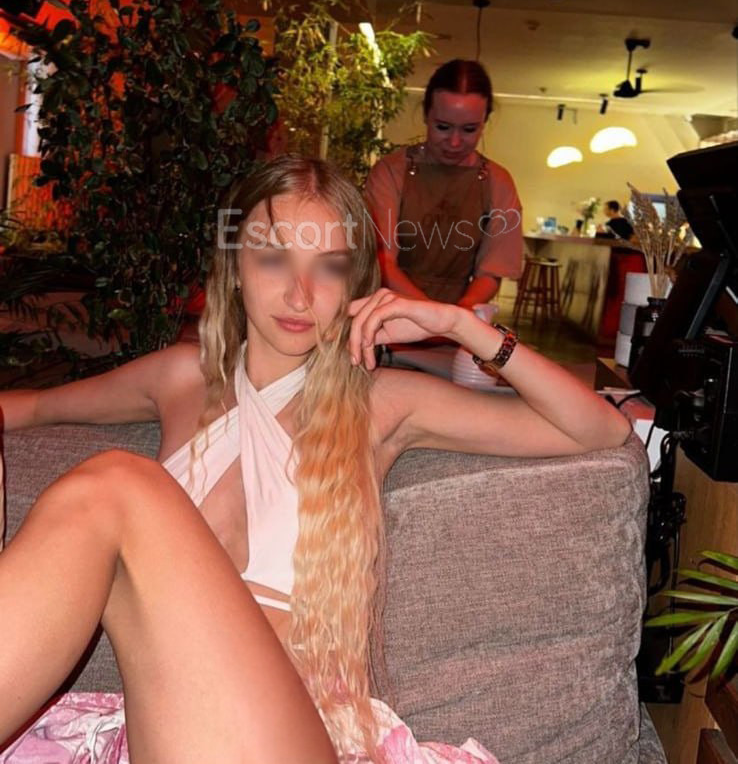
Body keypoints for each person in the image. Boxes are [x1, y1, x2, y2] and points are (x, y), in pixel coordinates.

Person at [0, 155, 631, 764]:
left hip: (300, 737)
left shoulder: (379, 402)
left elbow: (599, 429)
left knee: (117, 485)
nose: (300, 294)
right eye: (274, 258)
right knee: (115, 489)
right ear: (235, 267)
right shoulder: (178, 379)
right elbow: (28, 408)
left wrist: (462, 325)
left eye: (328, 267)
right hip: (165, 735)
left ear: (355, 285)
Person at [364, 60, 523, 308]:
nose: (455, 142)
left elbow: (491, 271)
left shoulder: (498, 182)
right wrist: (433, 314)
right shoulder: (390, 172)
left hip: (459, 314)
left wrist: (460, 313)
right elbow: (382, 261)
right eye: (443, 127)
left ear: (485, 122)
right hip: (390, 307)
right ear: (426, 115)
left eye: (469, 130)